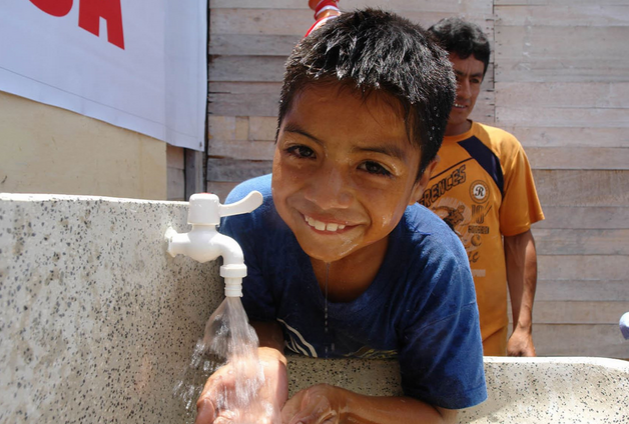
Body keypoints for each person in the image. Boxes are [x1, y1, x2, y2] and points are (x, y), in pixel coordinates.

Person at [195, 8, 487, 424]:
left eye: (373, 167)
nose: (327, 198)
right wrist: (263, 360)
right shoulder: (251, 220)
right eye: (302, 151)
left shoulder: (434, 266)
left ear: (420, 181)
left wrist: (340, 404)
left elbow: (440, 414)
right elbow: (257, 316)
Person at [423, 17, 545, 357]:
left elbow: (518, 240)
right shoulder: (400, 147)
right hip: (406, 338)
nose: (464, 92)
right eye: (454, 77)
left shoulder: (501, 149)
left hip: (483, 343)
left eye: (474, 79)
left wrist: (523, 328)